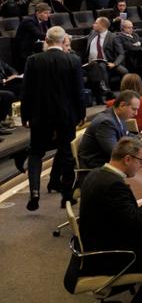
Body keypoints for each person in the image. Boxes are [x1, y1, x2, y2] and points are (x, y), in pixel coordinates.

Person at [75, 137, 142, 278]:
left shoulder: (96, 173)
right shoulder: (114, 184)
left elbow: (115, 211)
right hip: (112, 255)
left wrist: (132, 206)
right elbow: (134, 220)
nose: (141, 166)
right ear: (127, 159)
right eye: (141, 161)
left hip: (95, 242)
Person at [23, 25, 84, 210]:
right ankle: (66, 196)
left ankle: (34, 191)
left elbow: (26, 91)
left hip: (39, 115)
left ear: (46, 40)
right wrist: (81, 113)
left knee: (35, 153)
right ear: (63, 40)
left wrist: (25, 115)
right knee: (67, 154)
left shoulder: (33, 60)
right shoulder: (73, 60)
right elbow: (78, 92)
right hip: (66, 115)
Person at [77, 91, 142, 170]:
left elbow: (127, 135)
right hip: (97, 168)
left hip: (108, 161)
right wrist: (140, 149)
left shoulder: (118, 116)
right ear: (122, 105)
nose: (136, 113)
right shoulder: (106, 122)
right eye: (134, 109)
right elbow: (115, 152)